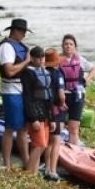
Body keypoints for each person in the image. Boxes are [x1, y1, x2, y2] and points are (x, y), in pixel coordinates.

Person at [0, 18, 33, 169]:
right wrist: (26, 62)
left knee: (23, 129)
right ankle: (7, 164)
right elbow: (9, 71)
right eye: (23, 32)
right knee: (10, 128)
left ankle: (26, 163)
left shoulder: (20, 46)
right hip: (11, 91)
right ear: (15, 31)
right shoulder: (7, 47)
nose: (24, 35)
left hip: (21, 91)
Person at [19, 45, 59, 176]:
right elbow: (27, 97)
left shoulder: (47, 73)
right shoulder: (27, 73)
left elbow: (50, 98)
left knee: (40, 145)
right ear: (33, 58)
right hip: (35, 114)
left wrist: (52, 118)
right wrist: (33, 118)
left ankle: (33, 174)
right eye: (39, 57)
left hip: (46, 113)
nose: (41, 60)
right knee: (40, 144)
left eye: (43, 57)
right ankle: (29, 175)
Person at [56, 35, 95, 148]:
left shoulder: (80, 60)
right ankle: (58, 149)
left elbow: (94, 69)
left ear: (75, 47)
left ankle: (74, 149)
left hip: (77, 95)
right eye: (66, 44)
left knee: (74, 128)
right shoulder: (57, 60)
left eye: (71, 44)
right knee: (59, 126)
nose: (68, 46)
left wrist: (86, 80)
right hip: (61, 95)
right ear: (62, 46)